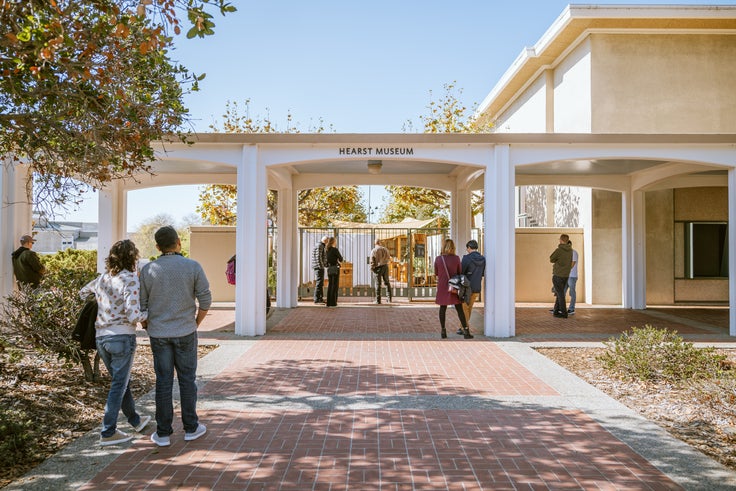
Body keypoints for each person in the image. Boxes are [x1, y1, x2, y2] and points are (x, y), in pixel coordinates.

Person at [139, 226, 212, 447]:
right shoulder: (192, 266)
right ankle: (191, 427)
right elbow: (206, 300)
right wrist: (195, 322)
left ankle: (162, 433)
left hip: (159, 334)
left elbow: (142, 306)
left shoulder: (148, 270)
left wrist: (148, 326)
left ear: (158, 247)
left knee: (163, 382)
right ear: (178, 242)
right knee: (187, 379)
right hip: (185, 331)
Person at [79, 239, 150, 446]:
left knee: (121, 381)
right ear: (133, 258)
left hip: (101, 337)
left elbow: (82, 293)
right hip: (122, 337)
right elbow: (133, 314)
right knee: (119, 384)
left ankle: (135, 420)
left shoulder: (102, 279)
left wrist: (101, 305)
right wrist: (149, 313)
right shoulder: (130, 279)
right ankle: (108, 431)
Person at [434, 238, 473, 339]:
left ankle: (443, 331)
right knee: (459, 308)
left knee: (442, 308)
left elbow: (436, 273)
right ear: (453, 247)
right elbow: (459, 272)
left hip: (443, 286)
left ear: (443, 247)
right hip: (454, 286)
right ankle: (466, 331)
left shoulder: (438, 259)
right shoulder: (456, 258)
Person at [461, 239, 486, 330]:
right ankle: (464, 326)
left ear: (469, 247)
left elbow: (461, 272)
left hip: (466, 287)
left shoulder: (466, 258)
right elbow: (482, 273)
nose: (467, 250)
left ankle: (464, 327)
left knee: (464, 307)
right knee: (469, 307)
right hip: (477, 286)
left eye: (467, 249)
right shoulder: (483, 259)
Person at [549, 233, 573, 318]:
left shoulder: (559, 250)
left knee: (560, 295)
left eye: (559, 239)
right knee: (560, 293)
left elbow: (551, 259)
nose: (559, 241)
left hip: (558, 275)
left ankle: (564, 313)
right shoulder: (571, 251)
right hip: (565, 275)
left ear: (561, 240)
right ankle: (555, 311)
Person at [369, 239, 392, 304]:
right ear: (380, 243)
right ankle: (389, 299)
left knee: (378, 284)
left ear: (375, 243)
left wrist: (372, 268)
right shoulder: (385, 249)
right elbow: (389, 258)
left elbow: (372, 260)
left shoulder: (374, 250)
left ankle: (378, 300)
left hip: (377, 268)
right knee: (387, 282)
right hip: (385, 267)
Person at [324, 236, 343, 308]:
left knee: (330, 285)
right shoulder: (335, 249)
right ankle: (333, 302)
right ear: (334, 242)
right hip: (335, 268)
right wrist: (338, 260)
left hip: (329, 268)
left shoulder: (327, 249)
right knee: (335, 285)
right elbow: (341, 259)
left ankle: (328, 302)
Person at [312, 236, 328, 304]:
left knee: (320, 283)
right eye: (327, 241)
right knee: (319, 283)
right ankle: (317, 299)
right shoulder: (320, 246)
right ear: (325, 241)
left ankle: (320, 298)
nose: (328, 243)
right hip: (318, 267)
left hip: (319, 266)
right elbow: (318, 257)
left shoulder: (320, 245)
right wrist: (321, 266)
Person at [564, 240, 578, 315]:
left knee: (572, 293)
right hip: (565, 275)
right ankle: (560, 308)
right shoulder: (565, 254)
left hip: (572, 276)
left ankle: (571, 309)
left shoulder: (574, 253)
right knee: (562, 292)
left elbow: (571, 265)